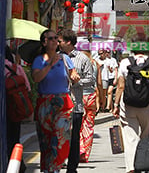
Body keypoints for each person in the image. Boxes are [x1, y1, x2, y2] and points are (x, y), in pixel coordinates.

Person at [32, 29, 80, 173]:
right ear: (44, 42)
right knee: (46, 140)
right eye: (51, 38)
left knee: (62, 140)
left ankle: (55, 167)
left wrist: (75, 76)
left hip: (63, 102)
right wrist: (50, 64)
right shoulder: (39, 60)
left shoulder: (65, 58)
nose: (55, 41)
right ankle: (49, 169)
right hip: (45, 103)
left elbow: (73, 74)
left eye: (56, 39)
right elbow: (36, 78)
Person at [112, 36, 149, 173]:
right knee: (147, 136)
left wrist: (115, 105)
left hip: (128, 105)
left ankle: (131, 168)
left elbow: (121, 86)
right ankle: (145, 165)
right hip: (147, 105)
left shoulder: (124, 62)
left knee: (130, 139)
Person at [59, 30, 95, 173]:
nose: (58, 43)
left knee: (74, 139)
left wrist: (76, 82)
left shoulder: (82, 58)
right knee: (60, 137)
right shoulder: (56, 58)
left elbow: (90, 80)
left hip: (75, 105)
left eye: (60, 41)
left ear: (68, 42)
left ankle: (72, 168)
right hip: (59, 105)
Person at [5, 44, 29, 173]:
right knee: (14, 138)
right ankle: (17, 164)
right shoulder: (16, 68)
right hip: (15, 109)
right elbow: (27, 89)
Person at [79, 47, 99, 163]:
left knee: (78, 125)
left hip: (78, 96)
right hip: (91, 97)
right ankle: (85, 154)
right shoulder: (95, 64)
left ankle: (80, 149)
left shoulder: (75, 62)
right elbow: (99, 84)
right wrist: (101, 99)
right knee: (89, 126)